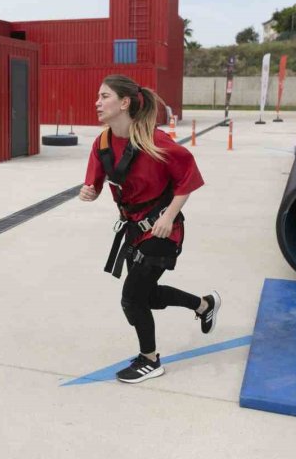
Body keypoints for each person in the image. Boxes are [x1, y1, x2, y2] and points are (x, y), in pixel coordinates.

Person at [79, 74, 218, 384]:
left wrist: (168, 217)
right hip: (133, 230)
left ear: (124, 103)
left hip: (162, 232)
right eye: (98, 96)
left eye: (104, 96)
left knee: (132, 299)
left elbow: (189, 178)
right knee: (148, 297)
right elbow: (96, 183)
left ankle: (150, 359)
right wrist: (90, 191)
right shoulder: (102, 144)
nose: (97, 102)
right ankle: (204, 304)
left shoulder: (156, 142)